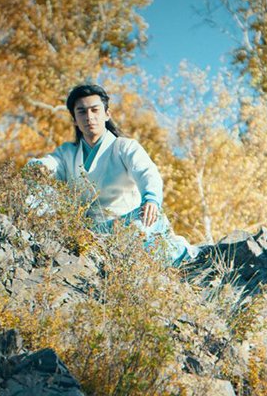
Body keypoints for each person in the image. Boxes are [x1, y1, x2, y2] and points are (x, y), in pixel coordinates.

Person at [27, 84, 197, 265]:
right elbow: (49, 164)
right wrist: (38, 168)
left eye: (95, 110)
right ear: (75, 120)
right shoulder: (67, 152)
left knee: (142, 228)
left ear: (107, 114)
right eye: (82, 112)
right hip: (90, 232)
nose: (89, 117)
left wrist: (151, 199)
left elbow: (147, 173)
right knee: (38, 190)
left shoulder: (124, 147)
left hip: (129, 222)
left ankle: (187, 258)